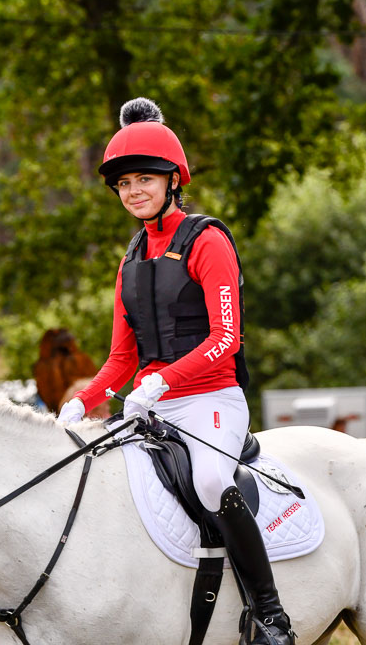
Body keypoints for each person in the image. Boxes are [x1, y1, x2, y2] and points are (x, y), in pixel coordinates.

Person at [58, 97, 295, 645]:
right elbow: (121, 359)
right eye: (123, 184)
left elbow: (226, 337)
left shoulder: (207, 241)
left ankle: (270, 614)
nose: (134, 190)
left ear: (172, 181)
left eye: (145, 178)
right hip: (151, 404)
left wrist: (163, 380)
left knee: (212, 478)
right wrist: (84, 400)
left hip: (212, 398)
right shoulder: (131, 258)